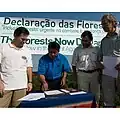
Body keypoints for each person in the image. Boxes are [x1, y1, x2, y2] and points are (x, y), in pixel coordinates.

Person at [0, 27, 33, 107]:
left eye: (26, 40)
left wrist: (30, 82)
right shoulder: (3, 48)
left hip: (21, 87)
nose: (24, 42)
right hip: (5, 86)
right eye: (22, 39)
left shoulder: (27, 51)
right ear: (15, 36)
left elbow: (29, 67)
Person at [72, 30, 101, 103]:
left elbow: (101, 63)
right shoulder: (77, 50)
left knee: (96, 96)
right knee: (83, 96)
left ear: (91, 40)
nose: (84, 42)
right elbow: (74, 65)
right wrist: (75, 78)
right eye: (83, 40)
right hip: (82, 75)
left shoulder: (97, 49)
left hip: (95, 74)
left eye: (86, 41)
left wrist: (100, 75)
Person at [98, 14, 120, 107]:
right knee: (108, 100)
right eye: (102, 24)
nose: (103, 26)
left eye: (105, 24)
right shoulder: (103, 41)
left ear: (113, 23)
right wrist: (99, 63)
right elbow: (100, 57)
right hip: (107, 74)